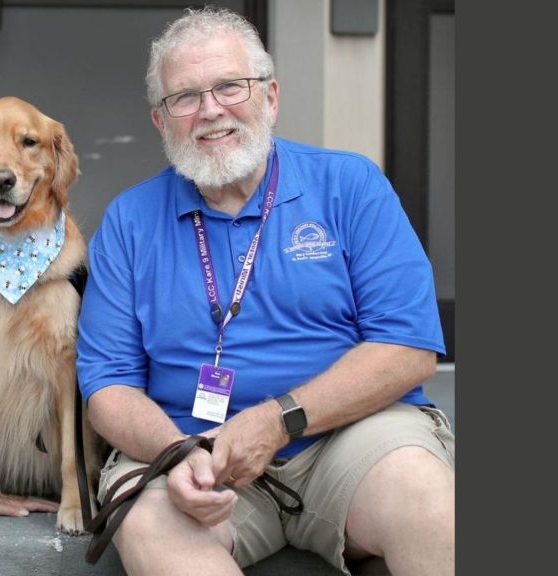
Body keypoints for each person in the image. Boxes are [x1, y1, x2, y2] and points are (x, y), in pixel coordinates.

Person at [76, 7, 454, 576]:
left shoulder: (350, 185)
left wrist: (279, 420)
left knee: (425, 497)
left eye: (230, 86)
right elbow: (108, 385)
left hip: (347, 437)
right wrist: (175, 453)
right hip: (189, 451)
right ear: (160, 121)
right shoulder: (129, 221)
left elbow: (407, 347)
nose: (210, 110)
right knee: (150, 524)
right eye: (185, 97)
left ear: (270, 97)